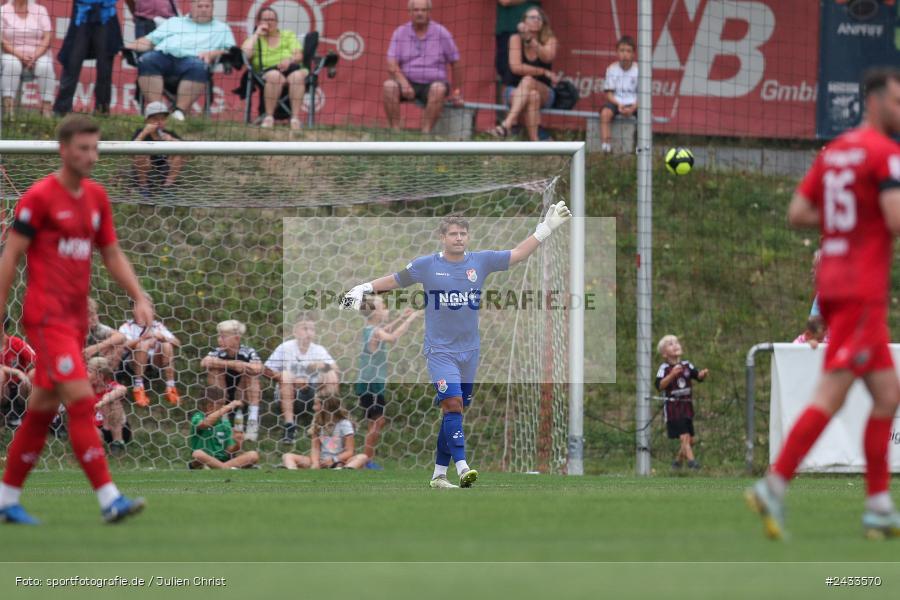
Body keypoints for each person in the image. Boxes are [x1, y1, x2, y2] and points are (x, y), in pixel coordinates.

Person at [746, 67, 900, 541]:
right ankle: (773, 485)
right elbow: (894, 219)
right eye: (897, 100)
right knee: (832, 393)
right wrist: (867, 222)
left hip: (834, 281)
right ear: (874, 102)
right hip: (859, 287)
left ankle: (877, 507)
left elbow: (797, 213)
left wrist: (842, 224)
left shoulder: (836, 155)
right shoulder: (885, 153)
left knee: (887, 395)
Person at [341, 204, 572, 489]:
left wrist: (546, 228)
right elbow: (395, 280)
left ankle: (439, 475)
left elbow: (518, 254)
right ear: (443, 237)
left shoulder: (481, 261)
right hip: (440, 351)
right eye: (453, 233)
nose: (459, 238)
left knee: (455, 412)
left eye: (463, 233)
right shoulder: (427, 265)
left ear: (468, 237)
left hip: (469, 352)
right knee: (453, 404)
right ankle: (463, 468)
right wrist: (364, 288)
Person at [0, 115, 151, 525]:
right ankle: (109, 499)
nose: (90, 155)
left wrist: (137, 295)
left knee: (41, 411)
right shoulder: (38, 198)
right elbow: (11, 255)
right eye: (82, 148)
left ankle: (6, 499)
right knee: (82, 401)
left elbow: (112, 253)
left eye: (95, 147)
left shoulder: (97, 198)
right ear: (63, 149)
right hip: (46, 318)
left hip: (73, 321)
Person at [125, 0, 236, 121]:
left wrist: (213, 53)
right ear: (191, 6)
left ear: (212, 8)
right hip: (164, 56)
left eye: (207, 6)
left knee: (199, 66)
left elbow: (231, 51)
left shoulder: (222, 28)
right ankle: (156, 110)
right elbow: (149, 41)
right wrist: (127, 48)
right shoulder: (174, 22)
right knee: (146, 60)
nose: (204, 9)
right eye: (200, 6)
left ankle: (179, 112)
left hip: (193, 61)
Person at [356, 298, 420, 469]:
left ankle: (368, 460)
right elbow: (391, 337)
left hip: (371, 382)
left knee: (375, 422)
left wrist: (400, 318)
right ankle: (366, 460)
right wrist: (410, 319)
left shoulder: (371, 329)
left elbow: (384, 331)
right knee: (378, 422)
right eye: (383, 306)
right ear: (375, 312)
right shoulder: (375, 332)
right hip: (371, 383)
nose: (386, 309)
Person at [383, 0, 463, 133]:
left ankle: (425, 135)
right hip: (407, 82)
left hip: (434, 83)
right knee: (388, 86)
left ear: (429, 12)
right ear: (409, 12)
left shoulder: (441, 33)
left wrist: (457, 93)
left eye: (423, 10)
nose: (420, 13)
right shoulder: (400, 32)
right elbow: (391, 63)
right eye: (416, 10)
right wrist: (403, 83)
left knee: (438, 89)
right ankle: (395, 132)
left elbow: (456, 62)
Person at [265, 317, 339, 443]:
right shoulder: (285, 347)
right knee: (286, 375)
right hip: (288, 394)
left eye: (312, 329)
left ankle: (325, 422)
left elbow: (336, 368)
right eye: (305, 328)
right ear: (295, 332)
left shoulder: (318, 350)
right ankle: (289, 426)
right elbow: (266, 370)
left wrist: (321, 365)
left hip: (312, 395)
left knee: (331, 375)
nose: (309, 332)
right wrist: (291, 379)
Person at [491, 6, 558, 141]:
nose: (536, 20)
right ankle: (536, 142)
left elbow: (547, 56)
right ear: (524, 22)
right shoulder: (515, 38)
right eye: (532, 17)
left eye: (539, 18)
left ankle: (507, 124)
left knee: (528, 81)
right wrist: (544, 71)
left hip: (545, 91)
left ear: (543, 23)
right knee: (532, 96)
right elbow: (516, 67)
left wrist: (530, 40)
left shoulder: (550, 40)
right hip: (514, 90)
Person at [241, 7, 307, 130]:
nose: (269, 22)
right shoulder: (255, 39)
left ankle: (295, 119)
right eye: (265, 19)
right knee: (274, 76)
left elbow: (299, 55)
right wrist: (256, 34)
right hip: (266, 72)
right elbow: (245, 55)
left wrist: (289, 60)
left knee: (297, 76)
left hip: (290, 69)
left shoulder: (287, 35)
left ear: (277, 22)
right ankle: (269, 117)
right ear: (259, 22)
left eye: (272, 19)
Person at [53, 0, 123, 116]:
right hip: (82, 11)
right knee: (72, 62)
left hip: (106, 13)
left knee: (104, 67)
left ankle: (102, 110)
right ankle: (62, 110)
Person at [200, 320, 263, 442]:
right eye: (219, 336)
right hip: (222, 394)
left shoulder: (248, 351)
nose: (219, 339)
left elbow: (258, 368)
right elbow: (204, 362)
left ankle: (252, 422)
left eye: (223, 336)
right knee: (214, 370)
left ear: (237, 339)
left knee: (252, 375)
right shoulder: (218, 351)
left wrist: (243, 365)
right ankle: (219, 421)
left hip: (242, 394)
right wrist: (232, 364)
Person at [655, 335, 709, 471]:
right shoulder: (664, 369)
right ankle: (693, 464)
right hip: (673, 409)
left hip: (687, 407)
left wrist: (701, 375)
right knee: (684, 437)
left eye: (677, 342)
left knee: (691, 440)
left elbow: (696, 376)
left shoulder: (687, 365)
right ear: (664, 354)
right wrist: (672, 375)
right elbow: (660, 385)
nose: (675, 345)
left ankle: (677, 463)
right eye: (670, 344)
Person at [118, 300, 181, 408]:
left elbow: (177, 343)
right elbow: (125, 346)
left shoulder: (157, 326)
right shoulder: (127, 326)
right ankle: (138, 387)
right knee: (142, 345)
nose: (146, 311)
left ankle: (170, 387)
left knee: (167, 345)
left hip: (154, 363)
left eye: (149, 308)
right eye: (141, 308)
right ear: (133, 310)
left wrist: (162, 337)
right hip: (134, 363)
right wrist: (143, 339)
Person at [282, 395, 369, 470]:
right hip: (321, 461)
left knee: (362, 457)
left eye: (316, 404)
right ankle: (294, 475)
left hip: (340, 461)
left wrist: (333, 460)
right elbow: (315, 448)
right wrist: (315, 463)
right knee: (287, 456)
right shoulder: (317, 423)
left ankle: (342, 471)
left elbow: (349, 451)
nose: (313, 408)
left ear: (326, 406)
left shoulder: (344, 424)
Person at [0, 0, 55, 119]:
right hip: (11, 53)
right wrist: (20, 56)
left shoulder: (40, 10)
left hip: (37, 55)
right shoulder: (3, 10)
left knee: (46, 65)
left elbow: (47, 37)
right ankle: (8, 109)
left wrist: (34, 56)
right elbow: (2, 40)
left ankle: (46, 109)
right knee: (12, 64)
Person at [189, 387, 259, 470]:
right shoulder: (198, 417)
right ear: (209, 406)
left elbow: (228, 451)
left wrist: (238, 444)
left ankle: (220, 468)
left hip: (223, 461)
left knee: (253, 455)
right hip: (204, 460)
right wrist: (230, 406)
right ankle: (227, 468)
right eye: (221, 404)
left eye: (224, 404)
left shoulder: (224, 422)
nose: (224, 407)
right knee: (198, 454)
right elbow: (205, 424)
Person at [131, 101, 185, 195]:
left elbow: (187, 149)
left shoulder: (169, 134)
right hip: (145, 170)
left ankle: (167, 187)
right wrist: (144, 133)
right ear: (147, 121)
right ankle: (144, 188)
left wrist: (172, 140)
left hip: (165, 169)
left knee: (180, 153)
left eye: (163, 119)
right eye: (155, 119)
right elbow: (130, 150)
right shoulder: (141, 132)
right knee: (139, 153)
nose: (159, 122)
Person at [599, 36, 638, 153]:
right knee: (605, 113)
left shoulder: (640, 70)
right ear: (617, 52)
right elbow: (608, 93)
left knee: (645, 116)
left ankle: (639, 148)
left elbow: (644, 96)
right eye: (622, 50)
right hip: (616, 102)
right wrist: (619, 104)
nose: (625, 54)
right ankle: (606, 147)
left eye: (628, 51)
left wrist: (634, 107)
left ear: (633, 54)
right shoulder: (611, 69)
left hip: (634, 103)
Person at [88, 356, 129, 455]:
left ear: (100, 375)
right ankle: (98, 450)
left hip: (115, 427)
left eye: (89, 371)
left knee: (113, 400)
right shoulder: (86, 388)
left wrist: (102, 402)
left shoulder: (110, 386)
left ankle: (117, 442)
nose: (86, 373)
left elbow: (122, 389)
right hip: (97, 429)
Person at [495, 1, 541, 84]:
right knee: (507, 75)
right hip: (508, 29)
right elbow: (505, 1)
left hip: (533, 30)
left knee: (534, 77)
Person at [1, 317, 35, 429]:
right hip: (4, 389)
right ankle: (5, 411)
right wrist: (16, 371)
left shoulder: (15, 343)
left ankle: (25, 412)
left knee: (35, 373)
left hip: (22, 387)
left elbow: (36, 359)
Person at [84, 297, 126, 367]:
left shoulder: (97, 327)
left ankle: (106, 374)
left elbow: (121, 337)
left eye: (94, 314)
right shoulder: (72, 330)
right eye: (89, 315)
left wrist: (96, 348)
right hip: (77, 362)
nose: (94, 318)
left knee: (117, 345)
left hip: (93, 360)